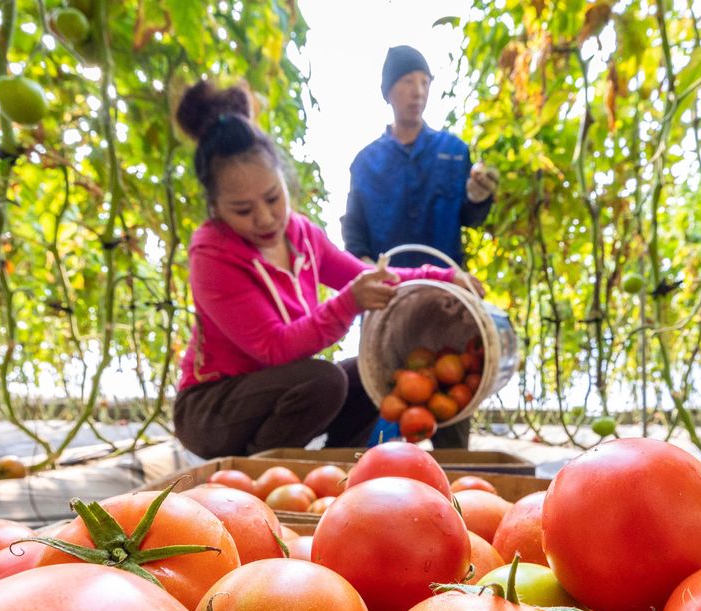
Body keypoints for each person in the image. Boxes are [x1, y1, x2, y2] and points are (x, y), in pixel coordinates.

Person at [170, 80, 477, 459]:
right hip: (212, 408)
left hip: (277, 391)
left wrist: (448, 278)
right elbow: (274, 348)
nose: (265, 218)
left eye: (272, 198)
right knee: (325, 379)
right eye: (242, 210)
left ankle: (338, 469)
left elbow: (372, 278)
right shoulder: (211, 254)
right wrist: (349, 304)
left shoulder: (301, 235)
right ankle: (257, 473)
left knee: (370, 378)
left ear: (284, 182)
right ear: (215, 207)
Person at [342, 45, 499, 449]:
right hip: (389, 309)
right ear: (388, 93)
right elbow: (355, 239)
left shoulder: (453, 151)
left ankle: (455, 484)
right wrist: (369, 277)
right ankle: (386, 485)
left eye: (425, 82)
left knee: (453, 400)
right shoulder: (365, 162)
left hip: (448, 305)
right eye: (408, 82)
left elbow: (469, 214)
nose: (418, 91)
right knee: (389, 403)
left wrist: (480, 196)